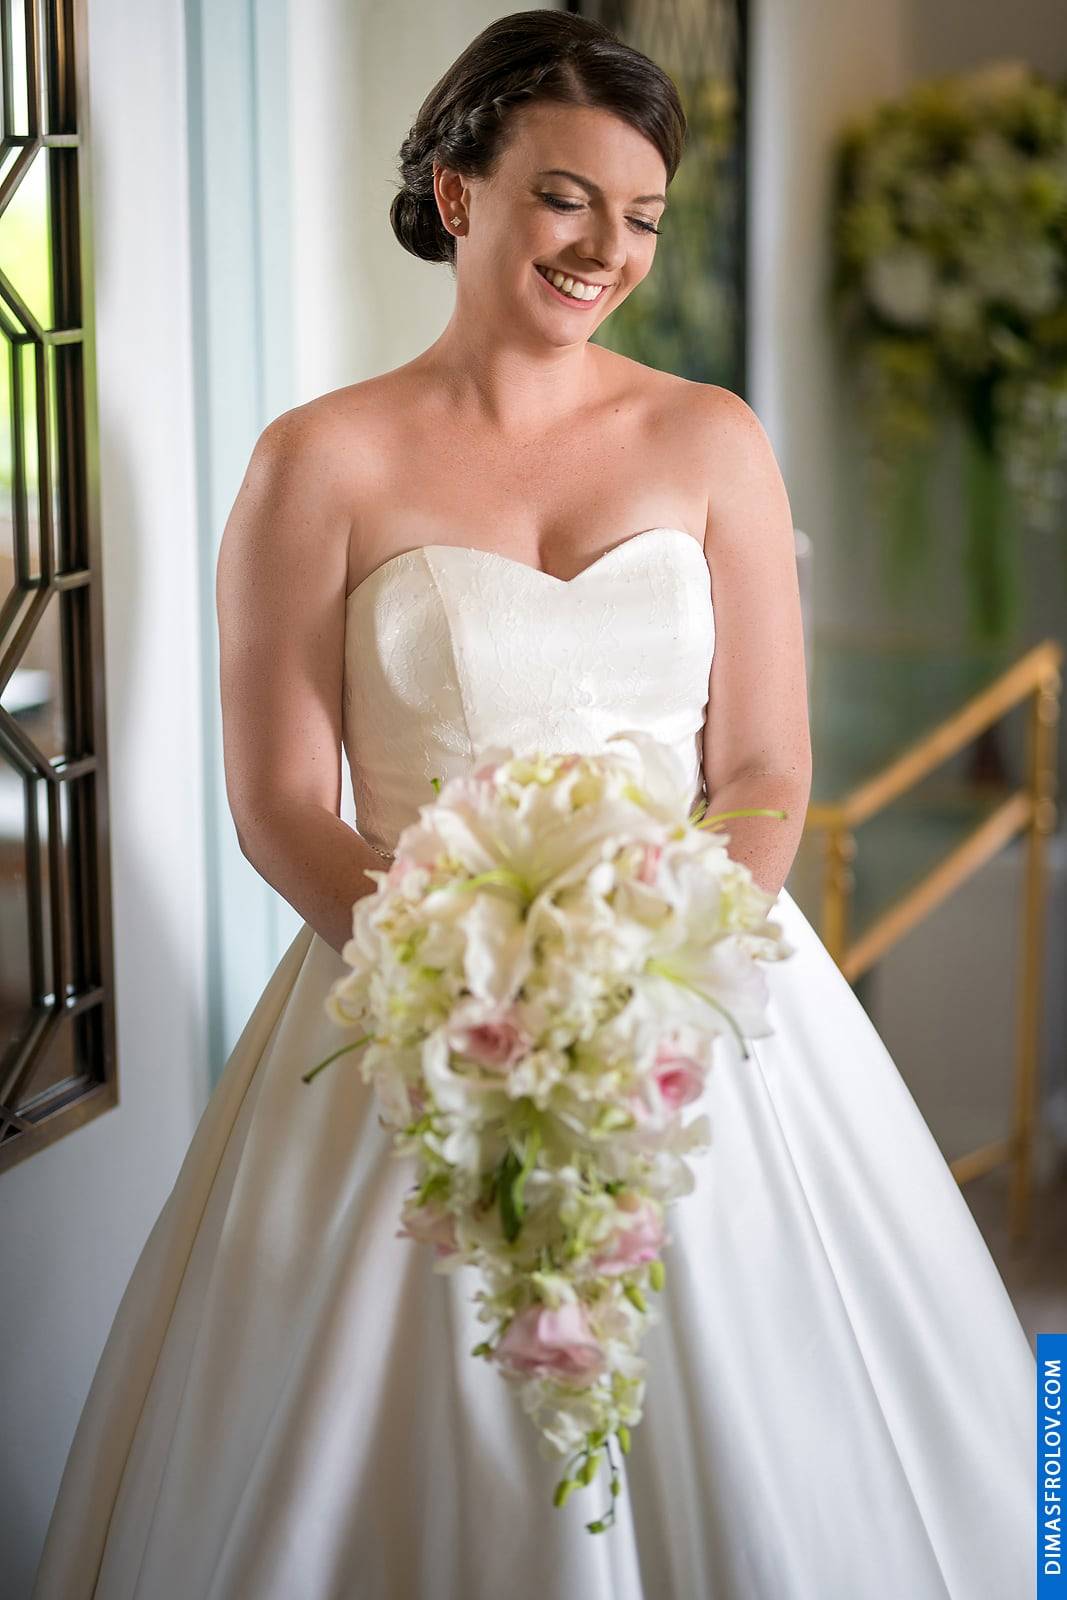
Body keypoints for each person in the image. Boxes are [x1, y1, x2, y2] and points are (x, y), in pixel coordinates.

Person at [32, 10, 1033, 1598]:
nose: (605, 250)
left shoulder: (712, 439)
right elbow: (281, 801)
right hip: (411, 1002)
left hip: (696, 995)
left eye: (641, 216)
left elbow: (764, 767)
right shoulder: (319, 461)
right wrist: (465, 981)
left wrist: (657, 970)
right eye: (566, 198)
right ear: (457, 191)